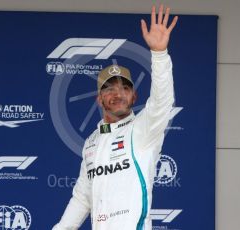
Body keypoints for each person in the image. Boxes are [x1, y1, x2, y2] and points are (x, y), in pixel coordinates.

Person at [52, 4, 178, 230]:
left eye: (124, 89)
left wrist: (159, 54)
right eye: (109, 89)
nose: (117, 94)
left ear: (133, 97)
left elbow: (162, 101)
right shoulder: (92, 141)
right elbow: (83, 196)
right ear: (99, 99)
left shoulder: (143, 129)